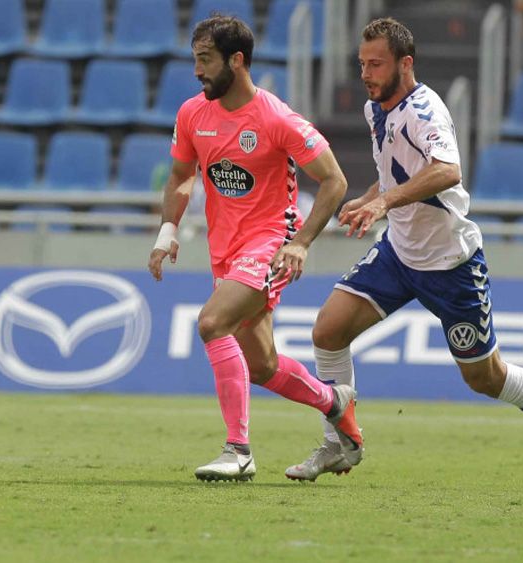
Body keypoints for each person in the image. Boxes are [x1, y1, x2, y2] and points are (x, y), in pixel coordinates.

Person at [284, 17, 523, 485]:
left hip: (450, 264)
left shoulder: (424, 109)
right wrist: (373, 198)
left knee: (484, 378)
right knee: (328, 331)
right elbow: (398, 172)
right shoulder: (377, 109)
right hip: (397, 253)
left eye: (376, 64)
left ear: (405, 64)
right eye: (362, 63)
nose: (365, 74)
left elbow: (447, 170)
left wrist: (385, 202)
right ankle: (340, 442)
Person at [147, 15, 363, 482]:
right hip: (224, 250)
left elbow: (334, 180)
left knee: (211, 322)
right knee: (261, 366)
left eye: (205, 60)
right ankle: (334, 401)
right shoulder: (192, 114)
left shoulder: (275, 118)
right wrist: (168, 230)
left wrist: (301, 242)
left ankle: (238, 450)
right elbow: (183, 175)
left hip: (269, 245)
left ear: (236, 60)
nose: (198, 70)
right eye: (195, 60)